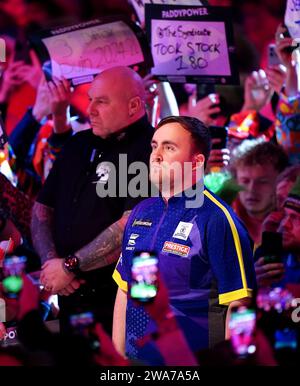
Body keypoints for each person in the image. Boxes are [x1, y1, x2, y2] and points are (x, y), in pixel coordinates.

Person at [112, 116, 256, 359]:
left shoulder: (217, 219)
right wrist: (117, 360)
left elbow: (239, 304)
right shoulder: (141, 211)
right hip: (137, 360)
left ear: (196, 162)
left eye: (169, 147)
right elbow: (124, 289)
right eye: (154, 146)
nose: (156, 155)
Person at [31, 66, 154, 334]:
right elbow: (42, 208)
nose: (90, 110)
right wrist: (53, 265)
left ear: (133, 106)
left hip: (120, 306)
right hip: (69, 297)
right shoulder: (79, 143)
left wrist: (69, 266)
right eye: (90, 100)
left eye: (102, 101)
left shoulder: (152, 151)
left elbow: (130, 227)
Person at [230, 139, 289, 245]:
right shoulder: (222, 215)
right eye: (245, 181)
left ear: (281, 183)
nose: (252, 189)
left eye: (262, 182)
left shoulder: (291, 224)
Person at [255, 177, 300, 296]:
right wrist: (252, 286)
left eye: (295, 218)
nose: (284, 224)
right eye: (285, 215)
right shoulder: (274, 255)